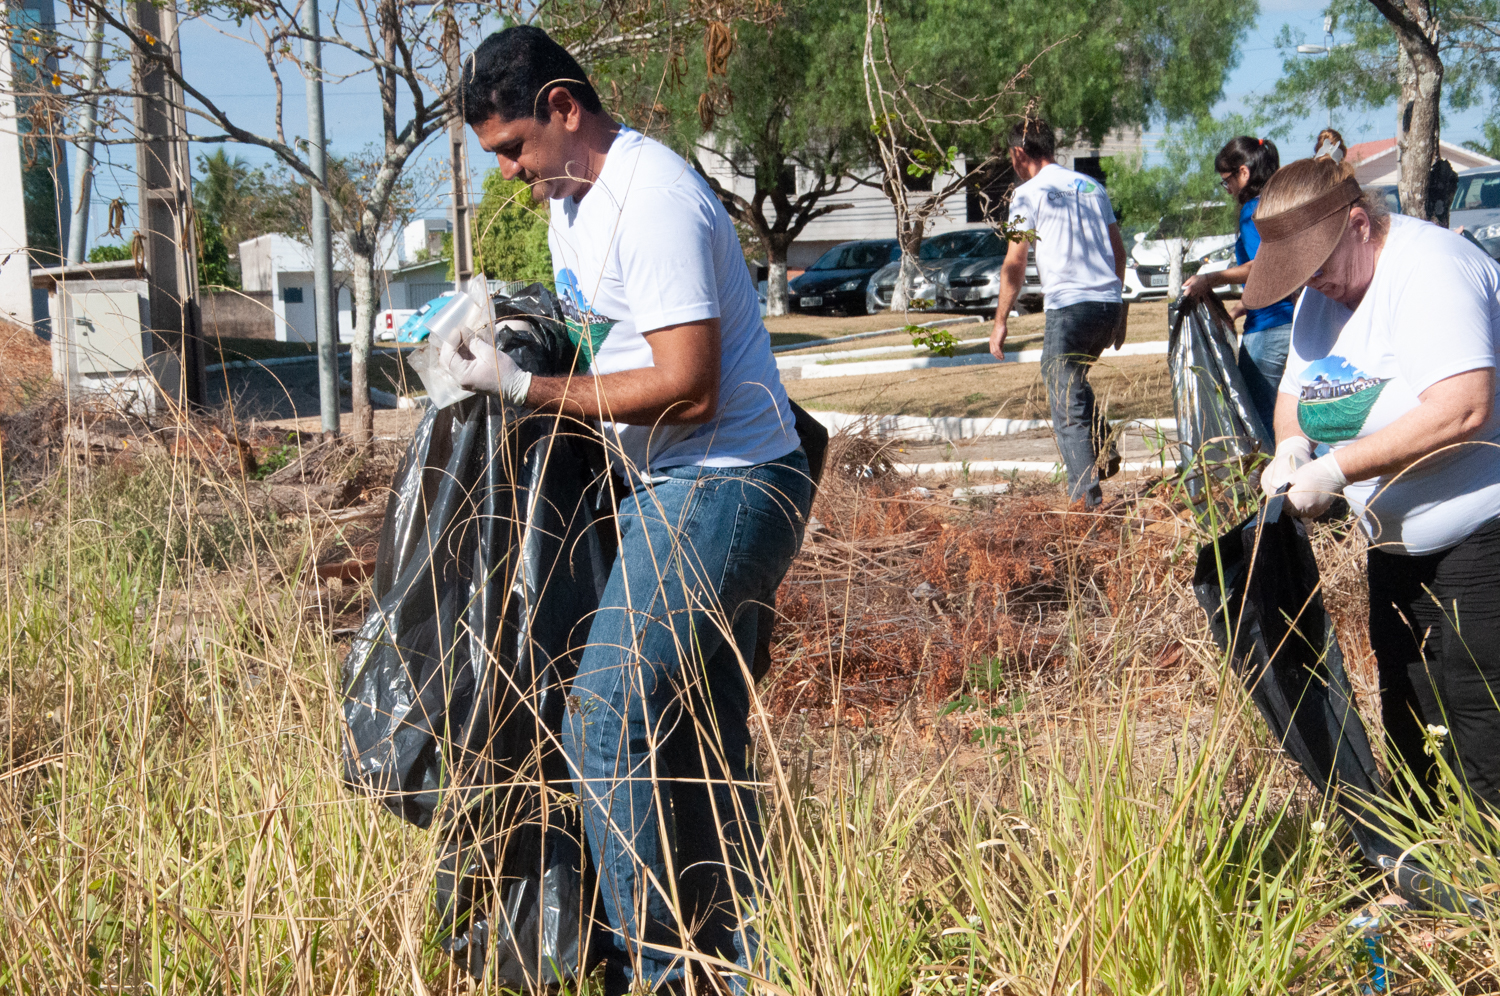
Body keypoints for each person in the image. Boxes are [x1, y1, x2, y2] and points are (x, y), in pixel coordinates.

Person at [446, 25, 812, 993]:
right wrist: (508, 329)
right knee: (694, 735)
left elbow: (688, 385)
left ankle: (662, 972)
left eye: (516, 148)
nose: (518, 174)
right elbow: (605, 334)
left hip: (727, 480)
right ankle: (735, 965)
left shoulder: (651, 195)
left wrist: (524, 394)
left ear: (565, 109)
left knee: (606, 716)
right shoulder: (577, 201)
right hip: (674, 486)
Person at [1250, 157, 1500, 816]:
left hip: (1483, 523)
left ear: (1358, 222)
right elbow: (1293, 395)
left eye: (1320, 268)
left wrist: (1336, 470)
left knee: (1481, 704)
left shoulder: (1429, 271)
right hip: (1393, 541)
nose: (1316, 287)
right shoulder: (1322, 291)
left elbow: (1463, 407)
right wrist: (1292, 447)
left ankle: (1488, 879)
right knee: (1409, 704)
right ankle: (1433, 860)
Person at [992, 117, 1128, 508]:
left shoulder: (1026, 195)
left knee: (1065, 405)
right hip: (1105, 305)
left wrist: (1001, 321)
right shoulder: (1092, 186)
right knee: (1070, 376)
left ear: (1020, 153)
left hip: (1068, 309)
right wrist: (1115, 304)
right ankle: (1103, 449)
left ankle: (1087, 504)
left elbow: (1015, 262)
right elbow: (1118, 252)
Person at [1183, 136, 1295, 433]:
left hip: (1269, 329)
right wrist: (1238, 309)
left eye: (1226, 180)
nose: (1227, 189)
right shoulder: (1278, 205)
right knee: (1300, 412)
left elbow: (1262, 265)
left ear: (1244, 172)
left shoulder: (1252, 211)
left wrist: (1211, 279)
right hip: (1295, 323)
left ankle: (1272, 479)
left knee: (1259, 420)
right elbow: (1281, 271)